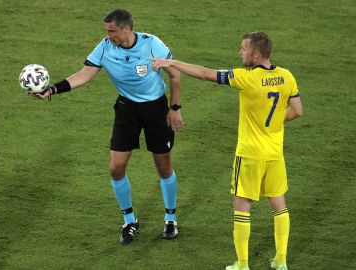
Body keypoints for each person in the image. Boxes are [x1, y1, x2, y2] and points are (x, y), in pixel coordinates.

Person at [150, 32, 302, 270]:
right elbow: (297, 110)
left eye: (244, 49)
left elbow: (204, 73)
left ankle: (242, 265)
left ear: (256, 53)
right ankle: (281, 260)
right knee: (279, 205)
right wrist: (271, 123)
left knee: (242, 206)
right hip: (275, 154)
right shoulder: (287, 76)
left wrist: (172, 63)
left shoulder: (246, 77)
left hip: (250, 154)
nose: (240, 53)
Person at [32, 9, 184, 245]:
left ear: (126, 29)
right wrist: (52, 89)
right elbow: (85, 74)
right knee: (115, 168)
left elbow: (175, 75)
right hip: (126, 109)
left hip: (156, 109)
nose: (108, 35)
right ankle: (129, 220)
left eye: (112, 31)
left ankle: (170, 218)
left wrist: (174, 108)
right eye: (106, 31)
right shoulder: (104, 47)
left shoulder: (152, 44)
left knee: (163, 166)